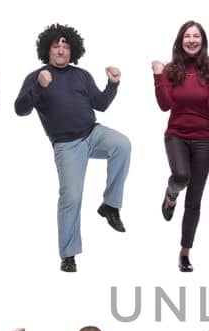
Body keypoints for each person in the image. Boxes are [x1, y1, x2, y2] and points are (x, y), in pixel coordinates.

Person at [15, 24, 130, 273]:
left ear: (73, 51)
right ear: (47, 50)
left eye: (66, 47)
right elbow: (20, 109)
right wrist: (39, 87)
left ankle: (110, 205)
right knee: (71, 197)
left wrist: (112, 84)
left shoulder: (81, 75)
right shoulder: (37, 77)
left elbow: (100, 104)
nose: (61, 51)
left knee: (122, 144)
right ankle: (68, 255)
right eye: (56, 46)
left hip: (93, 132)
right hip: (67, 145)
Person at [154, 21, 209, 272]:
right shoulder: (171, 70)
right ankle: (171, 195)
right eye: (188, 36)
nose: (192, 40)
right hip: (177, 134)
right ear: (180, 40)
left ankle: (184, 252)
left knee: (194, 199)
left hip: (205, 138)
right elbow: (164, 105)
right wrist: (157, 75)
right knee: (181, 175)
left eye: (196, 36)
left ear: (202, 41)